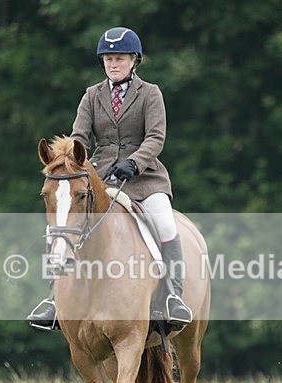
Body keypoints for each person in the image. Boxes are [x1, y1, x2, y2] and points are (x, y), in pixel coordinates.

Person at [28, 26, 193, 330]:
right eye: (108, 59)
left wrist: (135, 162)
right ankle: (53, 299)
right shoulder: (92, 95)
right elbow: (79, 137)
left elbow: (156, 137)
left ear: (134, 60)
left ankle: (173, 297)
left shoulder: (150, 93)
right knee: (63, 225)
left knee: (165, 223)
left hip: (145, 178)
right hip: (100, 178)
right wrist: (76, 161)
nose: (113, 64)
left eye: (119, 58)